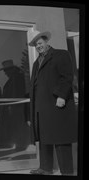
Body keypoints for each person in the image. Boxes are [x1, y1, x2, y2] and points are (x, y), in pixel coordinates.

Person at [27, 31, 77, 175]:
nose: (38, 46)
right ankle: (45, 168)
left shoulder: (61, 54)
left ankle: (67, 172)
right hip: (41, 106)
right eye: (36, 45)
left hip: (56, 103)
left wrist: (61, 96)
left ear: (46, 41)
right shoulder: (37, 62)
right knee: (44, 138)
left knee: (60, 138)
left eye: (40, 43)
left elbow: (67, 76)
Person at [0, 59, 31, 152]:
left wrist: (12, 106)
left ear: (12, 69)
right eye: (5, 71)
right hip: (14, 107)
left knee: (18, 126)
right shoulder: (13, 79)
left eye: (6, 70)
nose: (5, 73)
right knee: (16, 126)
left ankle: (21, 145)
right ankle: (19, 144)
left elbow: (16, 93)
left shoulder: (17, 78)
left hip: (16, 107)